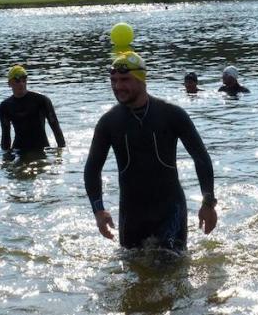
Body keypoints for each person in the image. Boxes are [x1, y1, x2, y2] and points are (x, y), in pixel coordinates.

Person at [84, 51, 217, 251]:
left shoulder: (171, 114)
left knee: (174, 271)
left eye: (125, 79)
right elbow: (92, 169)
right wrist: (98, 210)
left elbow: (201, 158)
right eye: (114, 80)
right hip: (131, 213)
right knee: (131, 273)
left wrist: (208, 203)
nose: (118, 86)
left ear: (141, 79)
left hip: (170, 209)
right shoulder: (108, 122)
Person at [0, 65, 66, 152]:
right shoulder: (5, 107)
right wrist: (6, 158)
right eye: (17, 81)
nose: (21, 84)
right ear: (9, 84)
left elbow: (55, 127)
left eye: (24, 80)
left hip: (42, 148)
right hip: (19, 150)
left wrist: (61, 152)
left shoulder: (41, 100)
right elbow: (5, 136)